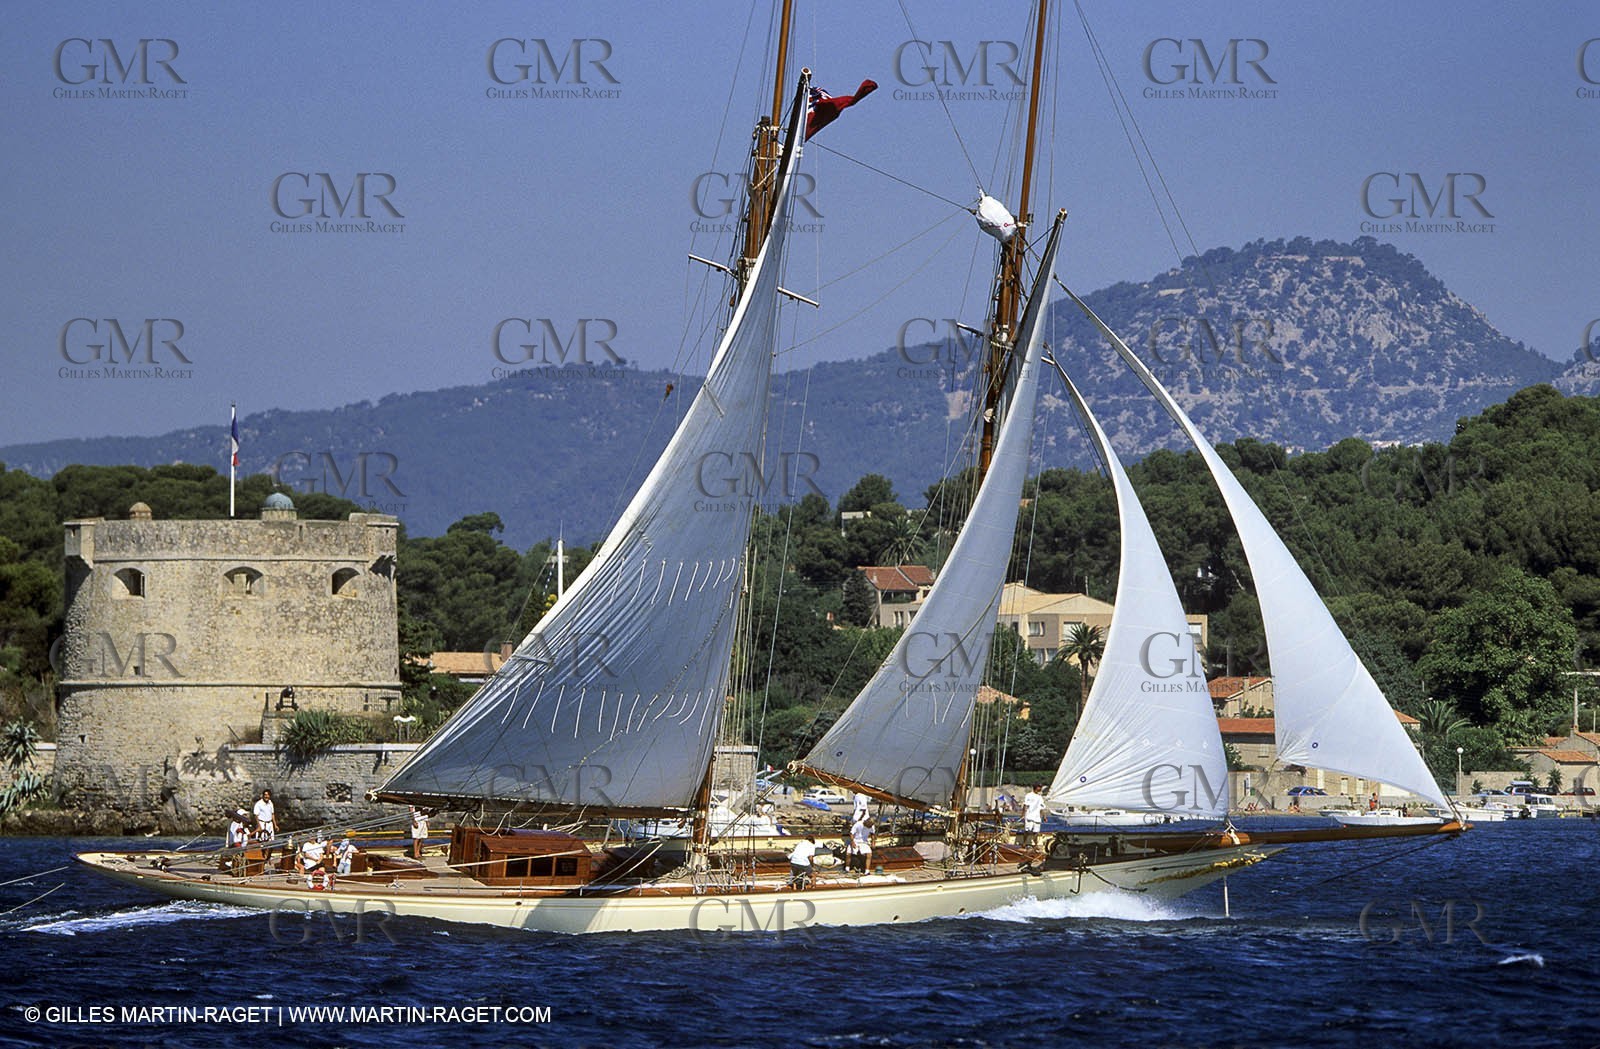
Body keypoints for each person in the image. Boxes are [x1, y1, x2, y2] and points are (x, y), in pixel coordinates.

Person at [253, 789, 277, 859]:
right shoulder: (258, 804)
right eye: (265, 795)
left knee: (271, 840)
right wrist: (259, 826)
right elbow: (256, 816)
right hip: (262, 823)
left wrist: (275, 825)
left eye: (268, 795)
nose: (267, 796)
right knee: (261, 841)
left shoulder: (270, 803)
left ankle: (268, 856)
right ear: (263, 796)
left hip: (269, 824)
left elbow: (272, 814)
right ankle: (261, 856)